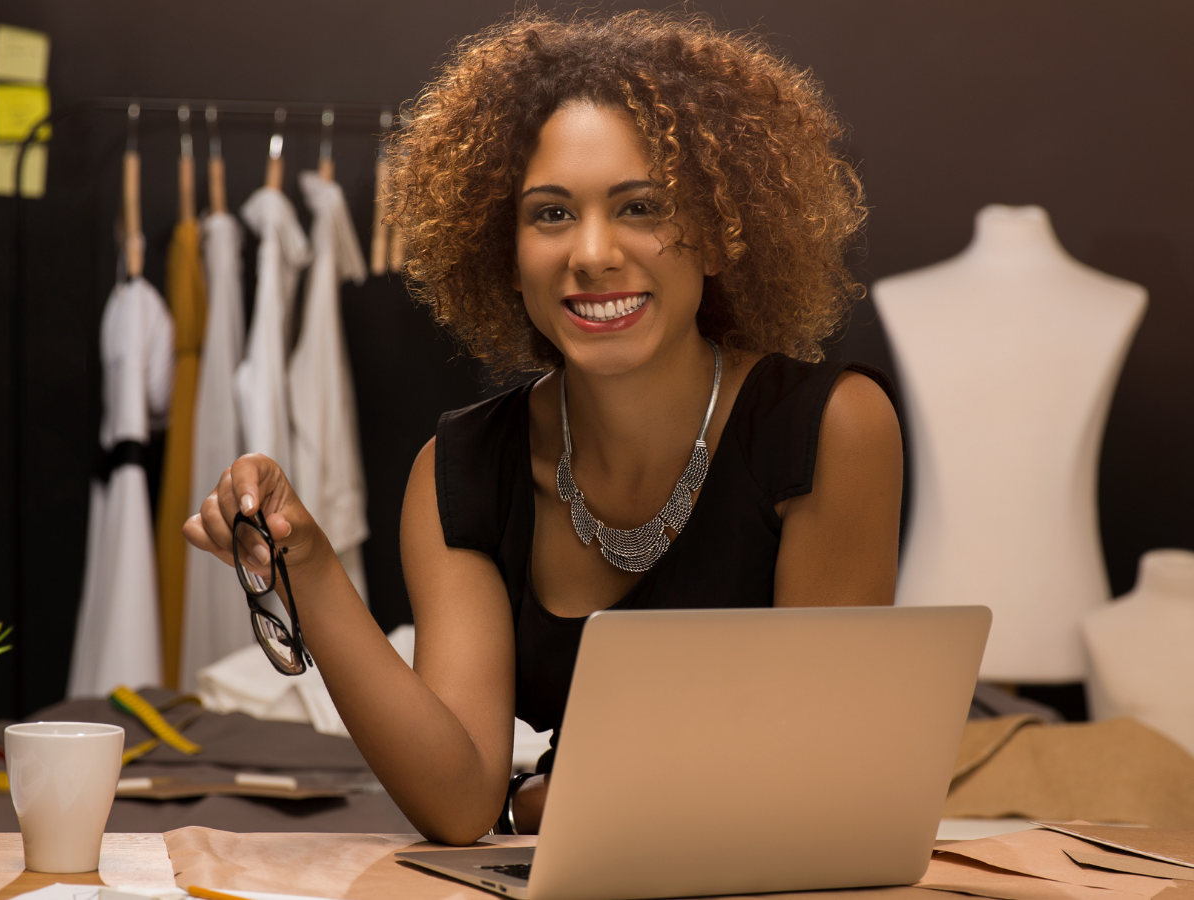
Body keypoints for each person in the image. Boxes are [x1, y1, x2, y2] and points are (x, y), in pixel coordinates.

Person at [185, 10, 903, 845]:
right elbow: (456, 803)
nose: (592, 253)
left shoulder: (829, 431)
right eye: (551, 215)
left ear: (716, 237)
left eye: (640, 207)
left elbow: (816, 777)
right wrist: (304, 561)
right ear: (506, 251)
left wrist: (538, 801)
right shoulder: (463, 472)